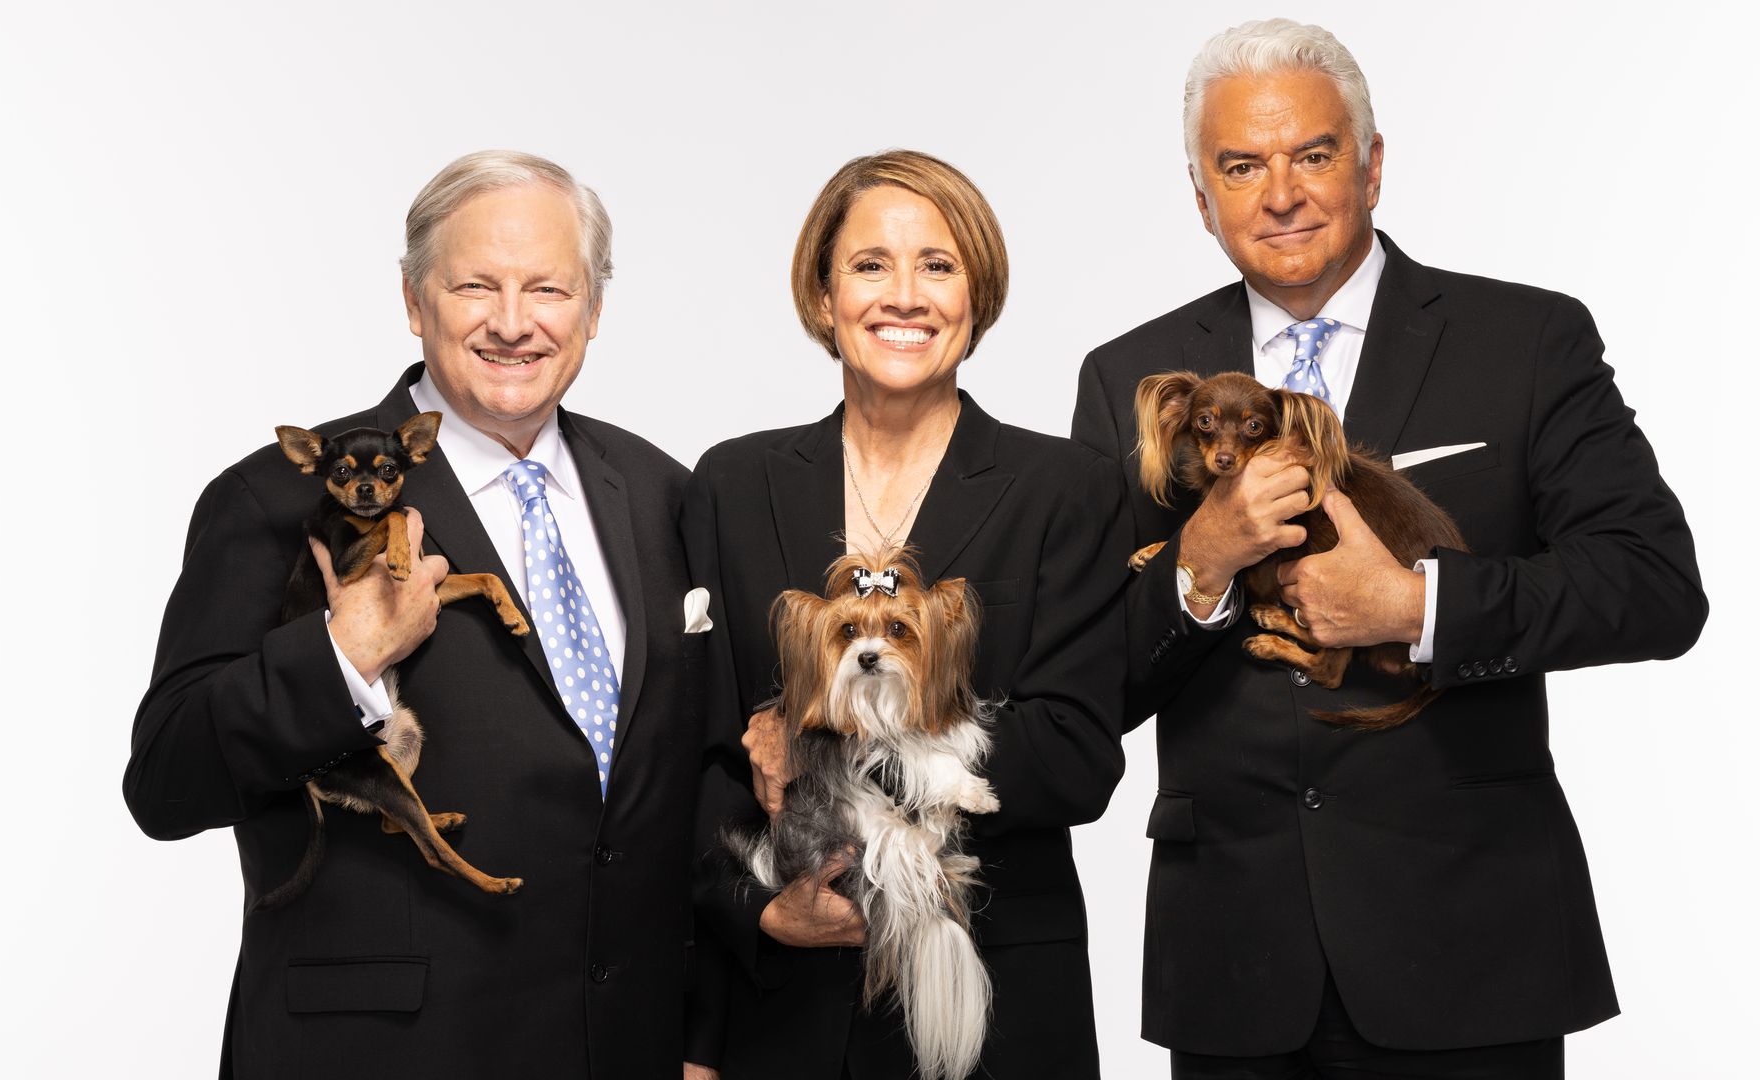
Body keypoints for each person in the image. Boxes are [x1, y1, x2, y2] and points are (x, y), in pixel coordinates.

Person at [1071, 20, 1707, 1080]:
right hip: (1233, 954)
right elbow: (1089, 674)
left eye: (1314, 155)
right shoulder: (1129, 376)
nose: (1281, 194)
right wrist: (1203, 559)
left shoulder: (1527, 342)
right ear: (1202, 196)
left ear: (1371, 165)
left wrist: (1416, 608)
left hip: (1470, 936)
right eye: (1242, 166)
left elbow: (1652, 586)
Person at [125, 150, 704, 1077]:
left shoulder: (664, 494)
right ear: (413, 300)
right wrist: (341, 658)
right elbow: (166, 779)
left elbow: (682, 790)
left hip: (625, 1047)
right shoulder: (273, 497)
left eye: (548, 289)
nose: (512, 322)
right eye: (475, 285)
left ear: (593, 309)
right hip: (379, 1052)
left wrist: (704, 1032)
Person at [681, 149, 1130, 1079]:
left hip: (997, 1003)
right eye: (870, 265)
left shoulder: (1067, 487)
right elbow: (695, 752)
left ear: (977, 292)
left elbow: (1076, 755)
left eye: (938, 265)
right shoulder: (732, 483)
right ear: (823, 296)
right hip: (781, 1008)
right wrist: (754, 917)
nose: (905, 296)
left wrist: (826, 738)